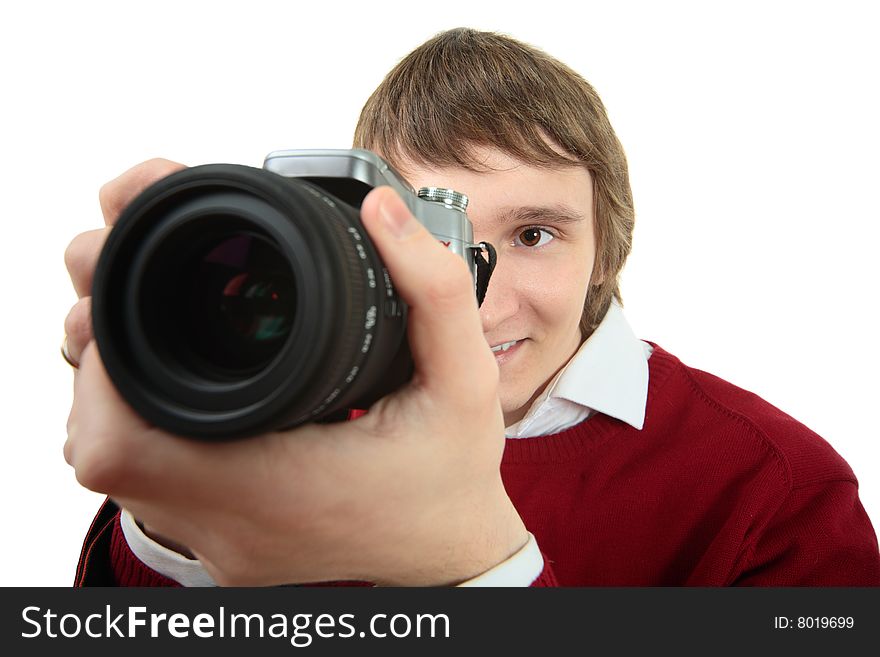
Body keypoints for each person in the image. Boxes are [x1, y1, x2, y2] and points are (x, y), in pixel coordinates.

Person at [63, 28, 880, 586]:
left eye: (532, 233)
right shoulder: (283, 407)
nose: (472, 301)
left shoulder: (776, 484)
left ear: (608, 253)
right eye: (429, 235)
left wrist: (477, 563)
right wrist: (173, 527)